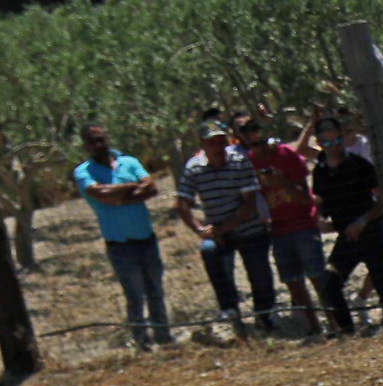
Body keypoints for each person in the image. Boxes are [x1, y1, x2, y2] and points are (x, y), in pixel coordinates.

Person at [74, 124, 172, 350]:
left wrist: (118, 195)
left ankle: (164, 338)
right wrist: (132, 187)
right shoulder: (83, 172)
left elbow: (151, 187)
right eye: (93, 141)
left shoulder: (129, 162)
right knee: (134, 295)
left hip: (146, 238)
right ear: (85, 145)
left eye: (101, 139)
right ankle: (142, 343)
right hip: (120, 245)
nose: (99, 144)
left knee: (155, 291)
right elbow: (100, 194)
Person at [175, 119, 275, 333]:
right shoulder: (194, 168)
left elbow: (249, 204)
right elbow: (182, 203)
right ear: (202, 145)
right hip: (219, 233)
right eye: (212, 143)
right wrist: (201, 230)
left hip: (248, 229)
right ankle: (229, 311)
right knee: (209, 252)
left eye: (221, 142)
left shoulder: (240, 161)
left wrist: (222, 229)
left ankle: (264, 316)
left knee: (260, 276)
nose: (218, 148)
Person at [232, 112, 322, 332]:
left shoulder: (288, 156)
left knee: (318, 278)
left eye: (263, 142)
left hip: (302, 224)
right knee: (293, 283)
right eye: (254, 145)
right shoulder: (249, 163)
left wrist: (281, 181)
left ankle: (339, 322)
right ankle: (315, 327)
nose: (260, 148)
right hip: (278, 230)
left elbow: (305, 197)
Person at [308, 114, 383, 334]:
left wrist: (362, 220)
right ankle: (347, 331)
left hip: (372, 231)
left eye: (337, 141)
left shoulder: (361, 165)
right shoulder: (320, 171)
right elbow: (318, 201)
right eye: (327, 143)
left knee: (381, 280)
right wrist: (318, 219)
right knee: (330, 284)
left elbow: (382, 201)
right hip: (345, 237)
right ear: (319, 143)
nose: (333, 147)